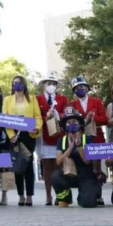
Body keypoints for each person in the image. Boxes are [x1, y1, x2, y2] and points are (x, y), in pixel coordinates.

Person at [67, 76, 107, 205]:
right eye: (78, 87)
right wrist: (84, 120)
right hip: (81, 138)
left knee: (97, 167)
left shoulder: (96, 102)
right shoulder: (72, 104)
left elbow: (104, 119)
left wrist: (93, 119)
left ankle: (98, 194)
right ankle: (86, 191)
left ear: (87, 88)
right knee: (85, 165)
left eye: (83, 86)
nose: (81, 88)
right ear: (74, 90)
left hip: (96, 136)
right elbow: (70, 119)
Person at [2, 75, 42, 206]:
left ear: (24, 84)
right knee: (18, 165)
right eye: (14, 83)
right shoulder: (7, 100)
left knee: (28, 165)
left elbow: (38, 117)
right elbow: (5, 119)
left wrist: (36, 128)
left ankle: (29, 195)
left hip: (28, 135)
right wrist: (11, 135)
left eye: (19, 82)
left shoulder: (32, 99)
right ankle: (21, 195)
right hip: (15, 136)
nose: (17, 84)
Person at [51, 106, 100, 208]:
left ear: (79, 124)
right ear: (65, 126)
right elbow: (58, 161)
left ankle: (86, 195)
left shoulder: (87, 139)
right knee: (55, 176)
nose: (72, 124)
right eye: (69, 122)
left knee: (88, 204)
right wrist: (71, 147)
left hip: (85, 174)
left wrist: (79, 146)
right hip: (68, 173)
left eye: (74, 121)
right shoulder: (62, 140)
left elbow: (87, 161)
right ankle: (65, 198)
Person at [36, 75, 67, 206]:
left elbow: (66, 113)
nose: (51, 85)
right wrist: (45, 116)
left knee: (58, 166)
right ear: (43, 85)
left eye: (53, 83)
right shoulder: (37, 99)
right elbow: (35, 114)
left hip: (59, 134)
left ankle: (59, 194)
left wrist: (57, 114)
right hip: (44, 135)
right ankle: (48, 195)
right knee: (47, 166)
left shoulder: (62, 98)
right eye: (48, 83)